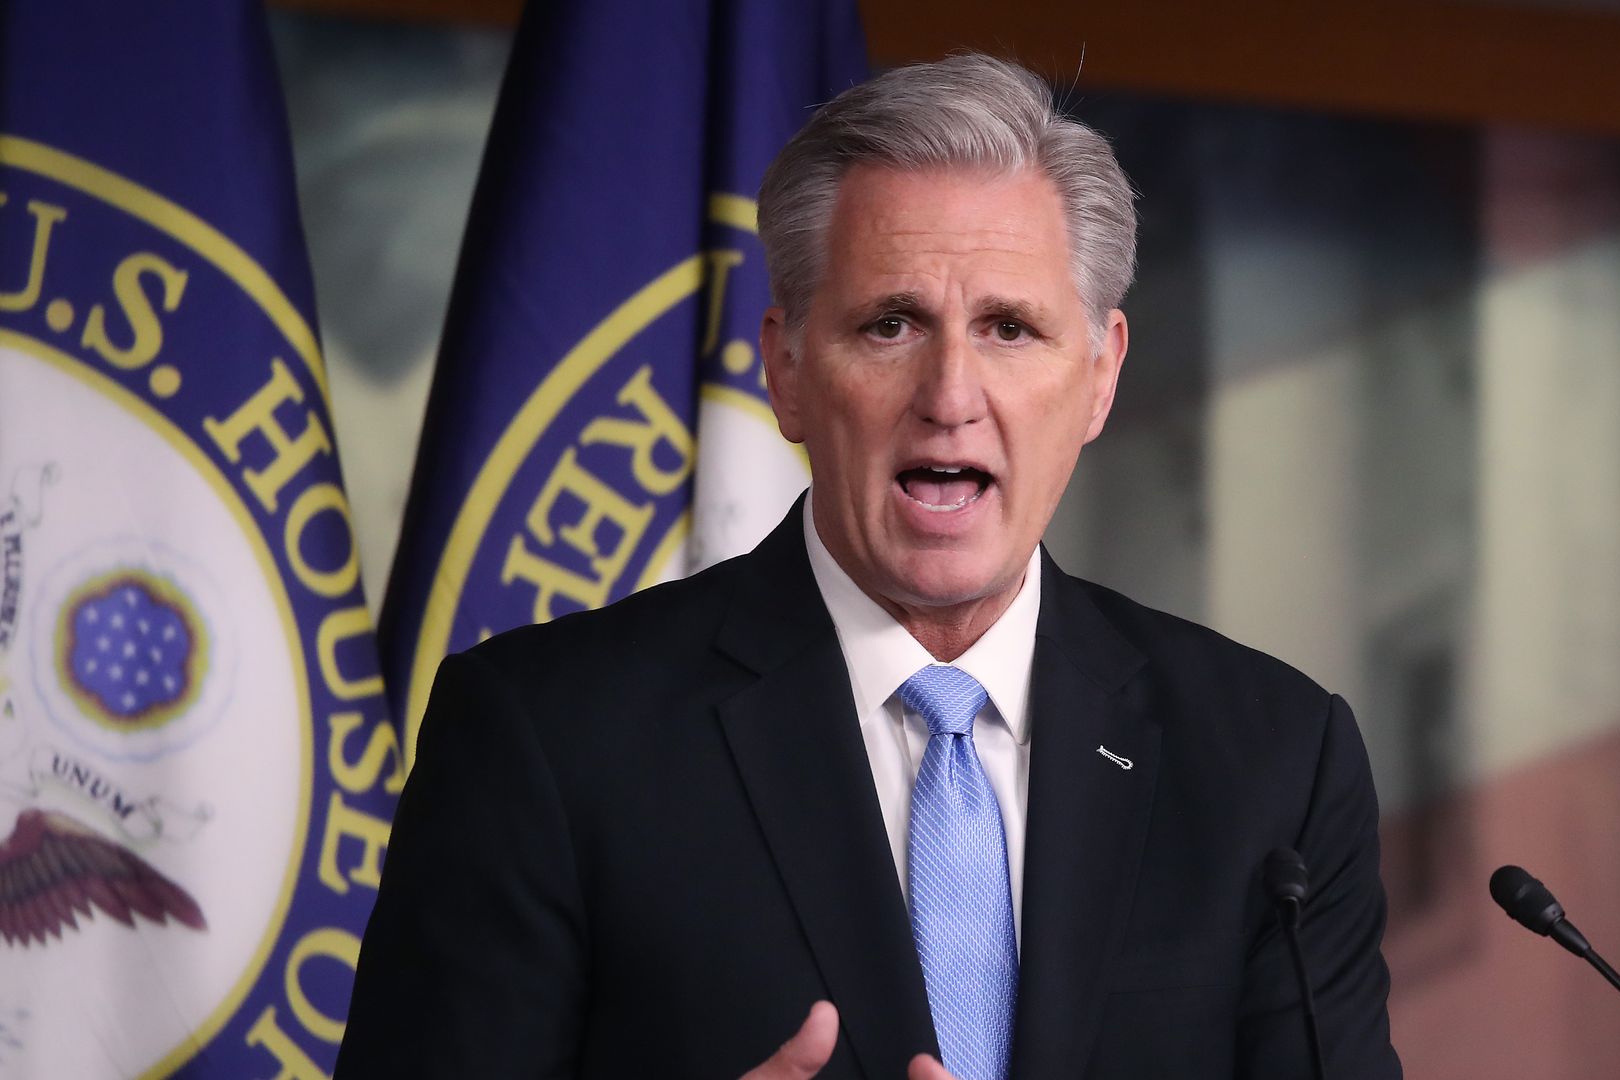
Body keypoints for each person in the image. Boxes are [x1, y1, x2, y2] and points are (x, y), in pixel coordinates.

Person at [337, 53, 1400, 1080]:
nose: (950, 393)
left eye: (1010, 328)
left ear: (1099, 378)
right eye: (890, 324)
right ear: (789, 371)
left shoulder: (1271, 767)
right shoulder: (548, 742)